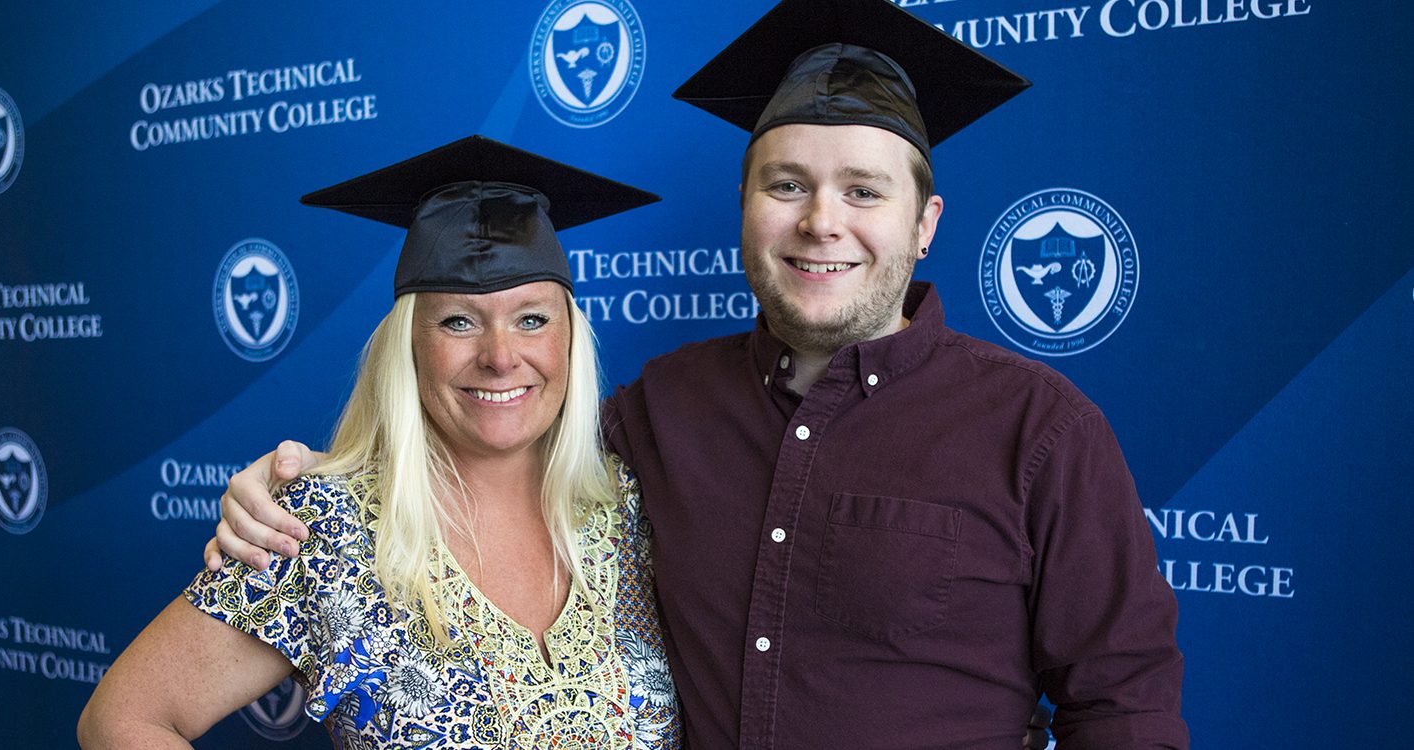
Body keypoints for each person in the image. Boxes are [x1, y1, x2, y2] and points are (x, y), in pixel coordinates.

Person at [205, 0, 1189, 747]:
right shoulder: (657, 413)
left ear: (924, 224)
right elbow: (484, 438)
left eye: (864, 190)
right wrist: (288, 493)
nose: (820, 222)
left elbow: (1125, 705)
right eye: (787, 184)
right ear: (745, 204)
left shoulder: (1039, 432)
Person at [78, 136, 680, 749]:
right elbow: (122, 718)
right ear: (409, 348)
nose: (501, 357)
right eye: (458, 322)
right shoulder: (327, 529)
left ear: (570, 340)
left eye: (531, 319)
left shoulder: (627, 507)